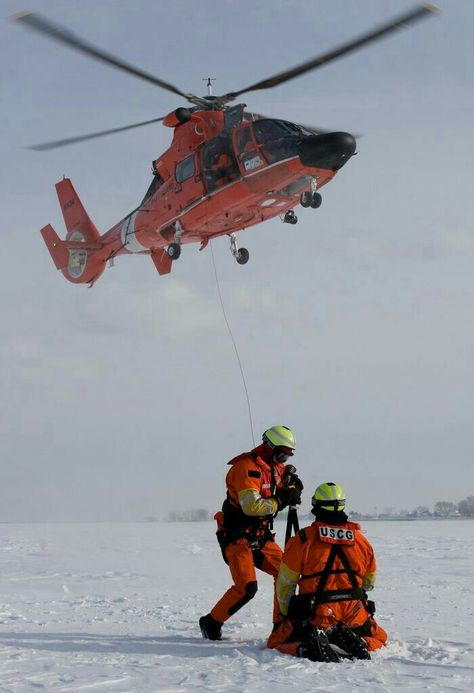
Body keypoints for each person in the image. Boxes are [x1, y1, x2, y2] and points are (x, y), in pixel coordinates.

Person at [199, 425, 303, 641]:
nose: (284, 459)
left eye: (288, 455)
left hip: (261, 536)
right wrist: (282, 499)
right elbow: (251, 507)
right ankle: (211, 621)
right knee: (246, 588)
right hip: (238, 537)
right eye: (282, 453)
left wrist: (294, 487)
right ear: (270, 447)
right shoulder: (246, 468)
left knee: (287, 575)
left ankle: (280, 626)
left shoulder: (275, 467)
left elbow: (285, 482)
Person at [267, 482, 388, 662]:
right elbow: (369, 584)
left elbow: (285, 585)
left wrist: (287, 616)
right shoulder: (361, 541)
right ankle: (360, 642)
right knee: (381, 638)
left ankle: (307, 648)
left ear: (316, 506)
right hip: (354, 614)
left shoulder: (302, 540)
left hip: (316, 614)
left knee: (275, 643)